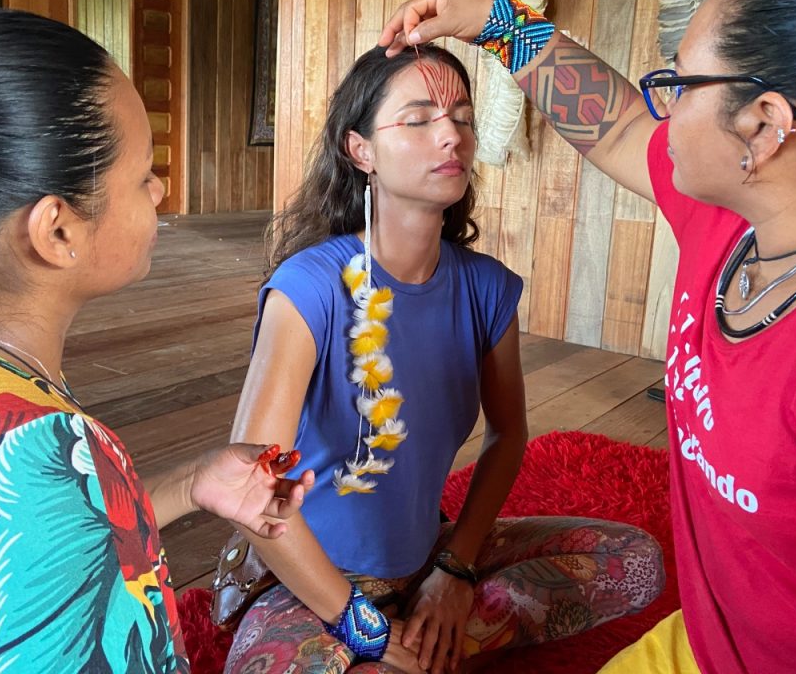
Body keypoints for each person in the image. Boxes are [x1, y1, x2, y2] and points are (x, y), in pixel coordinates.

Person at [378, 0, 796, 674]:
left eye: (680, 83)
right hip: (708, 643)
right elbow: (617, 124)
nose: (662, 107)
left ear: (765, 125)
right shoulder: (737, 213)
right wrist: (497, 20)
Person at [0, 9, 311, 673]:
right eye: (142, 175)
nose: (160, 189)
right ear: (57, 231)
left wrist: (191, 483)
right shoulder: (38, 449)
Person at [225, 42, 664, 674]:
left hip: (429, 555)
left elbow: (507, 434)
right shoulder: (308, 287)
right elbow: (250, 488)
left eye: (461, 118)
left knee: (636, 562)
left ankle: (426, 640)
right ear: (361, 151)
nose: (451, 135)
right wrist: (358, 623)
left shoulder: (487, 288)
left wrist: (455, 568)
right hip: (312, 578)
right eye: (419, 119)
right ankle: (402, 649)